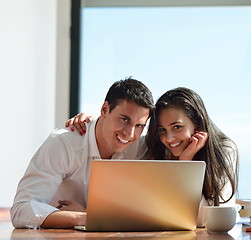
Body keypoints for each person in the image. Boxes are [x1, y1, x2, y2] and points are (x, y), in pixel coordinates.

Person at [67, 87, 238, 226]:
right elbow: (139, 209)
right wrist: (89, 123)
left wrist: (185, 164)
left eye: (177, 127)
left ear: (198, 124)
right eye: (162, 130)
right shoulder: (154, 148)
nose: (169, 139)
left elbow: (214, 220)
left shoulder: (224, 150)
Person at [11, 78, 154, 229]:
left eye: (139, 126)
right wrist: (83, 218)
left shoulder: (140, 148)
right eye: (124, 119)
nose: (129, 133)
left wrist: (90, 214)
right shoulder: (64, 143)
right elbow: (21, 211)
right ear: (105, 109)